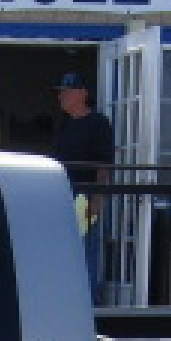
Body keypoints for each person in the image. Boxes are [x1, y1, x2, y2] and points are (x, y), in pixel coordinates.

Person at [52, 72, 115, 291]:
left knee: (85, 251)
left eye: (67, 92)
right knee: (63, 250)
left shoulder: (98, 123)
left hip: (83, 198)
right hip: (62, 196)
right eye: (60, 92)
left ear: (82, 94)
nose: (62, 96)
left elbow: (104, 164)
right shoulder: (64, 124)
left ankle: (88, 301)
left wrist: (96, 199)